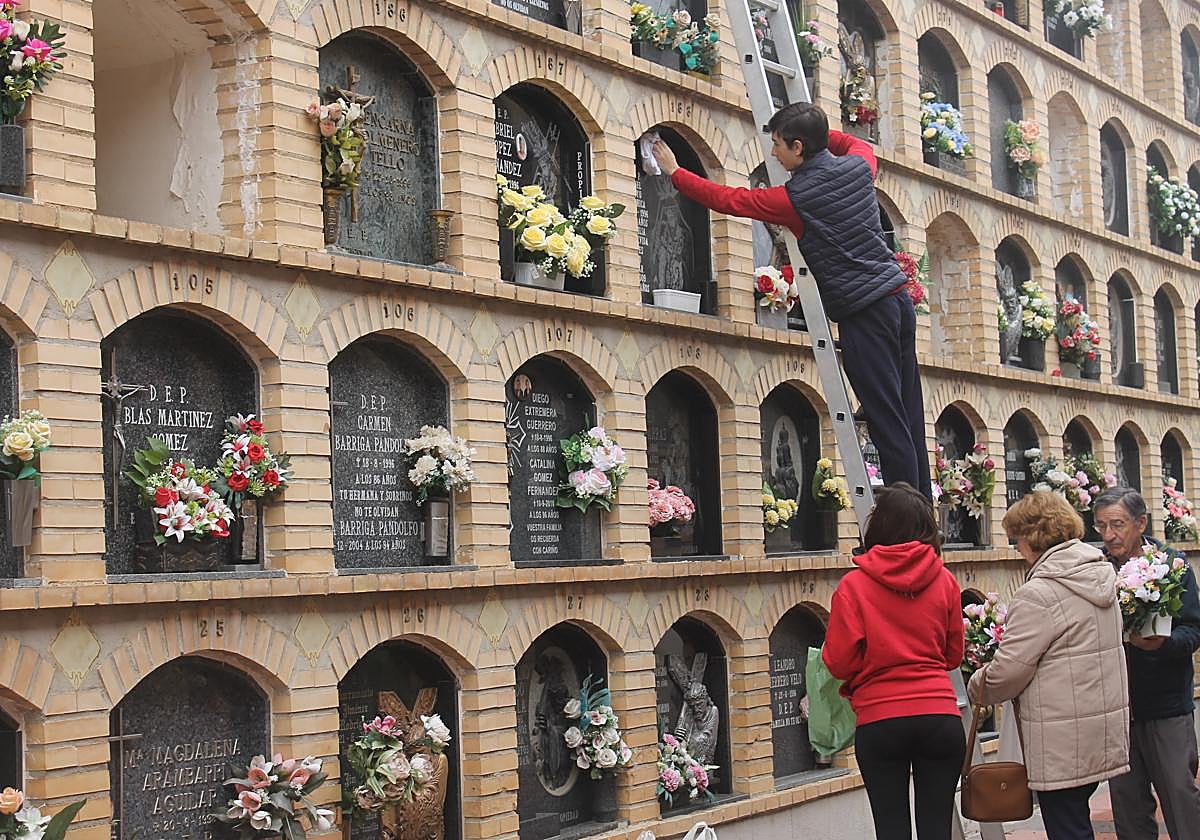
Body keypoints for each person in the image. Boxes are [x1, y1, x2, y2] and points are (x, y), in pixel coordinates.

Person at [651, 103, 930, 498]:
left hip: (866, 313)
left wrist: (676, 172)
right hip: (898, 301)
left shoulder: (796, 198)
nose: (773, 153)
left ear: (798, 147)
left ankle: (906, 529)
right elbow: (850, 141)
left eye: (779, 144)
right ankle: (920, 518)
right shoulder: (859, 166)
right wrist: (818, 133)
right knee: (908, 415)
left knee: (886, 418)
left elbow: (730, 200)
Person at [968, 490, 1130, 840]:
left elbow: (1009, 671)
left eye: (1016, 540)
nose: (1017, 549)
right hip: (1096, 730)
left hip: (1062, 737)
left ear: (1031, 537)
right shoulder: (1100, 575)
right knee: (1076, 820)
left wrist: (977, 684)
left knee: (1067, 828)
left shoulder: (1040, 593)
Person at [822, 483, 964, 840]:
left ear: (879, 526)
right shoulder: (945, 581)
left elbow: (838, 662)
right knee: (937, 830)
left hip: (880, 719)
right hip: (939, 716)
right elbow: (953, 655)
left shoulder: (854, 587)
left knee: (891, 830)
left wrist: (869, 671)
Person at [1093, 487, 1200, 840]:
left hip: (1166, 706)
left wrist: (1163, 645)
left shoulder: (1171, 566)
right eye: (1101, 526)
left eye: (1117, 525)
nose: (1109, 536)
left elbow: (1193, 630)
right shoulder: (1095, 570)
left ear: (1141, 523)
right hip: (1117, 709)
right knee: (1128, 809)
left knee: (1181, 801)